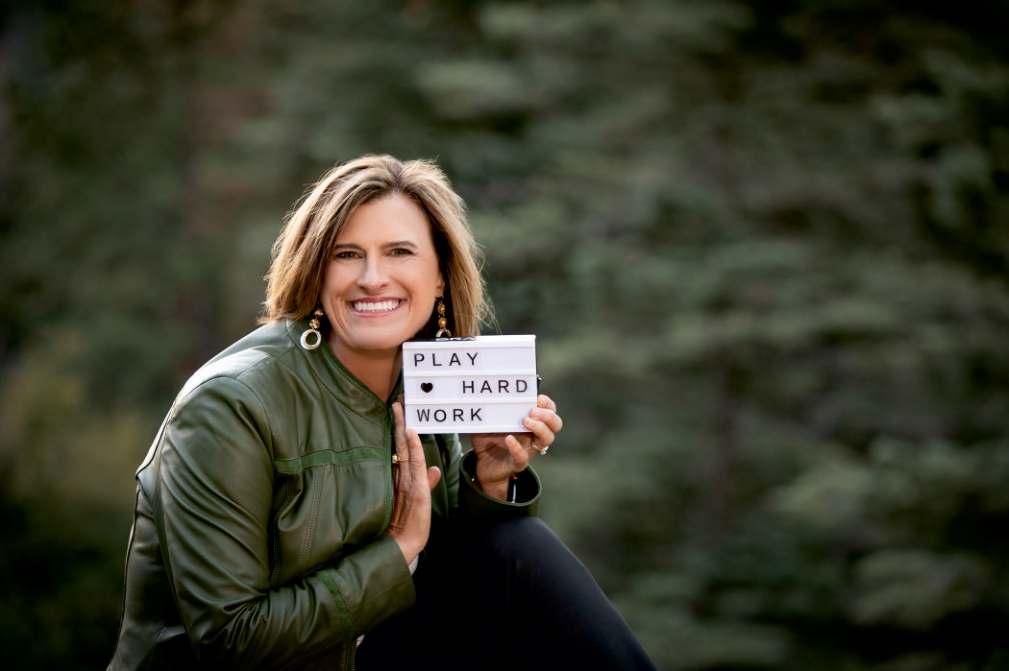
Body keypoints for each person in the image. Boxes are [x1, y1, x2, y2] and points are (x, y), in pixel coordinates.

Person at [107, 155, 656, 670]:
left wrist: (488, 481)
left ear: (439, 276)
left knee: (519, 549)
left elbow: (458, 576)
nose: (373, 277)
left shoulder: (426, 384)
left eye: (399, 252)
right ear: (316, 272)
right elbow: (229, 640)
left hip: (364, 650)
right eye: (347, 255)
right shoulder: (229, 404)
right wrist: (398, 550)